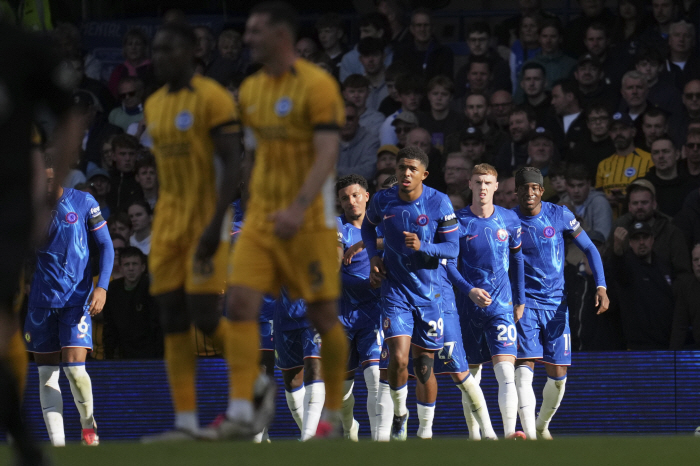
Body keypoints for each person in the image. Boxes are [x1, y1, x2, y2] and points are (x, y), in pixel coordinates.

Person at [227, 1, 349, 438]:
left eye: (255, 31)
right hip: (263, 218)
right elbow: (253, 158)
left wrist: (298, 206)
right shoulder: (252, 90)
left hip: (311, 218)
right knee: (240, 306)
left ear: (280, 35)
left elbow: (327, 153)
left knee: (321, 315)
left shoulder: (317, 86)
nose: (247, 39)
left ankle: (331, 416)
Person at [142, 21, 252, 441]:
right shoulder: (153, 104)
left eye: (169, 49)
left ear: (191, 51)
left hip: (207, 218)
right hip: (167, 222)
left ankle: (253, 381)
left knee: (206, 315)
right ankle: (186, 423)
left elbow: (232, 165)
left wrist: (216, 221)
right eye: (157, 49)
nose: (160, 57)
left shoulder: (213, 97)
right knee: (172, 315)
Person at [0, 22, 85, 466]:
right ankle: (22, 438)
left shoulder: (24, 48)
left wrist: (49, 197)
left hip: (8, 207)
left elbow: (70, 113)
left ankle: (22, 437)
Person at [361, 146, 459, 440]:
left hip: (430, 295)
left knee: (424, 366)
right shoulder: (383, 200)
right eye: (402, 167)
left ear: (424, 174)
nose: (405, 173)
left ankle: (425, 431)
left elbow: (453, 249)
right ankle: (400, 414)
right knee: (399, 359)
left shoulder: (439, 203)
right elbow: (368, 228)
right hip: (395, 292)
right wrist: (373, 257)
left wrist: (424, 246)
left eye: (412, 169)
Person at [25, 154, 114, 446]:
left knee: (75, 372)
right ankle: (59, 447)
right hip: (40, 304)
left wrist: (101, 287)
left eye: (50, 179)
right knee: (47, 376)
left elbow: (106, 245)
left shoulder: (84, 202)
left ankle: (89, 426)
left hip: (76, 300)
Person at [513, 166, 609, 440]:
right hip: (524, 305)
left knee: (558, 376)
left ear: (542, 191)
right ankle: (530, 434)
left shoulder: (559, 214)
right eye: (524, 188)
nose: (529, 193)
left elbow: (590, 248)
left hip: (556, 305)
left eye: (535, 188)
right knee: (524, 369)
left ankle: (542, 426)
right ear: (517, 191)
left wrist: (601, 285)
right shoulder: (507, 220)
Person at [446, 163, 525, 439]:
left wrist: (520, 298)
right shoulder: (457, 221)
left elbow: (517, 258)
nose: (482, 187)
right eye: (478, 182)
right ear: (469, 184)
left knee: (506, 372)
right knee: (472, 378)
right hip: (467, 309)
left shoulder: (510, 220)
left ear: (496, 187)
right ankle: (475, 436)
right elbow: (448, 265)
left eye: (488, 183)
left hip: (501, 306)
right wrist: (469, 291)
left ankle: (508, 435)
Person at [335, 175, 386, 441]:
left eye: (356, 195)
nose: (351, 201)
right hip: (341, 317)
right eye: (345, 197)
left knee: (375, 381)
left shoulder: (383, 226)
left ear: (367, 196)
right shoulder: (336, 228)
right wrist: (370, 283)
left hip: (374, 317)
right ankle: (349, 428)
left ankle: (379, 442)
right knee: (343, 391)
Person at [610, 221, 675, 350]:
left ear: (652, 239)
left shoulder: (664, 266)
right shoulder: (627, 264)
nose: (641, 243)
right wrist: (617, 250)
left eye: (645, 237)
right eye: (636, 239)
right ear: (630, 243)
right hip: (637, 345)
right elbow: (618, 271)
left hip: (665, 342)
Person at [609, 179, 691, 277]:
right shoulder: (620, 229)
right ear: (629, 207)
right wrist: (617, 252)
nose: (639, 207)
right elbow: (609, 268)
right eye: (635, 203)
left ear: (654, 204)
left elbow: (683, 272)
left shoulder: (670, 231)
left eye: (644, 202)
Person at [273, 291, 324, 441]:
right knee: (292, 381)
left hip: (314, 311)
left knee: (314, 368)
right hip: (284, 313)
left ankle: (307, 438)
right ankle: (310, 436)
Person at [103, 247, 162, 359]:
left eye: (134, 264)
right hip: (123, 353)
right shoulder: (113, 289)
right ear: (120, 268)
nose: (131, 268)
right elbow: (109, 326)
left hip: (150, 353)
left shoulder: (151, 288)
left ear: (143, 267)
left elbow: (157, 327)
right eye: (126, 265)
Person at [595, 112, 653, 215]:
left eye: (623, 128)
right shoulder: (603, 164)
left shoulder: (649, 159)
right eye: (614, 130)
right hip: (610, 223)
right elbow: (597, 196)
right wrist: (606, 199)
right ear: (610, 134)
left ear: (633, 132)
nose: (618, 133)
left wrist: (627, 199)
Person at [392, 8, 454, 81]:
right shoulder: (400, 53)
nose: (422, 29)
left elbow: (446, 82)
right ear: (412, 29)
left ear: (432, 28)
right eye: (418, 25)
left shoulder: (444, 53)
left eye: (426, 25)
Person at [559, 164, 613, 240]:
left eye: (580, 185)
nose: (576, 191)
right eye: (572, 186)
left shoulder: (600, 202)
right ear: (565, 185)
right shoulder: (562, 203)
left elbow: (603, 238)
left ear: (589, 184)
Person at [645, 135, 695, 216]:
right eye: (656, 152)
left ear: (677, 155)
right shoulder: (643, 186)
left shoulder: (692, 186)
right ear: (652, 157)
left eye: (665, 151)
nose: (661, 156)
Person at [339, 12, 393, 82]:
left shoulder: (394, 56)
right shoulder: (349, 59)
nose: (362, 36)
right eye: (361, 32)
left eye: (366, 31)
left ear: (380, 33)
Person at [418, 75, 466, 154]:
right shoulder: (420, 120)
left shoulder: (460, 120)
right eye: (435, 93)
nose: (439, 98)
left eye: (444, 94)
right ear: (429, 96)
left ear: (451, 97)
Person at [567, 104, 616, 179]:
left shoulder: (617, 145)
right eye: (593, 119)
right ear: (588, 124)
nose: (598, 123)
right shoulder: (579, 149)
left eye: (602, 118)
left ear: (610, 121)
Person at [107, 27, 154, 99]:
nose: (133, 48)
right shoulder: (119, 70)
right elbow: (112, 96)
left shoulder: (152, 70)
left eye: (137, 44)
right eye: (130, 44)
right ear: (125, 48)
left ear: (144, 47)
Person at [338, 102, 380, 181]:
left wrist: (335, 172)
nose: (346, 123)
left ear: (357, 119)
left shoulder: (372, 141)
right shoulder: (329, 142)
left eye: (350, 118)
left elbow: (368, 172)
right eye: (342, 118)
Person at [379, 73, 423, 146]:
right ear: (399, 96)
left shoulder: (426, 119)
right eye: (407, 94)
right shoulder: (390, 123)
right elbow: (388, 154)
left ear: (421, 95)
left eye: (416, 93)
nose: (412, 98)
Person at [670, 243, 700, 349]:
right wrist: (672, 358)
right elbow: (680, 326)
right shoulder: (687, 287)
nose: (699, 263)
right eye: (696, 260)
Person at [107, 134, 144, 214]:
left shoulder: (142, 179)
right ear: (113, 156)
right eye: (123, 154)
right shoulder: (106, 179)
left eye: (131, 154)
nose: (127, 158)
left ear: (137, 155)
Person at [493, 106, 536, 175]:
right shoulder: (506, 149)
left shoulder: (543, 146)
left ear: (532, 124)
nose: (514, 127)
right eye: (511, 124)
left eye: (519, 122)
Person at [342, 74, 385, 139]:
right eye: (352, 91)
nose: (356, 95)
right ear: (344, 94)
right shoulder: (335, 117)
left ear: (368, 93)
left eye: (360, 91)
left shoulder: (377, 119)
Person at [315, 13, 346, 79]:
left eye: (327, 31)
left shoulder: (347, 58)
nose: (322, 36)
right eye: (320, 32)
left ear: (339, 33)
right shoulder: (316, 58)